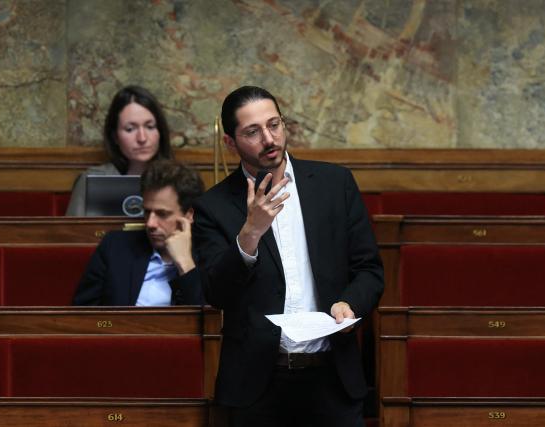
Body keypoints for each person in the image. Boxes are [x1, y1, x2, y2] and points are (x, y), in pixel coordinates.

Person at [192, 86, 384, 426]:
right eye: (252, 132)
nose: (269, 139)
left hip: (332, 380)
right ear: (230, 144)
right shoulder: (214, 207)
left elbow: (369, 270)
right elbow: (216, 293)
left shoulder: (334, 184)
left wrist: (350, 303)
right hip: (258, 388)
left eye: (274, 125)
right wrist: (250, 232)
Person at [73, 159, 204, 306]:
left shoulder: (210, 253)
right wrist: (110, 326)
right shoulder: (114, 247)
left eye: (162, 214)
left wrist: (185, 264)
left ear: (189, 215)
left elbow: (210, 322)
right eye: (147, 212)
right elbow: (83, 316)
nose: (150, 223)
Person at [66, 85, 174, 216]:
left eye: (150, 127)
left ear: (160, 131)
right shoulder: (92, 181)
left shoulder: (178, 179)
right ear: (115, 136)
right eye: (130, 129)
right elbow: (72, 233)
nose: (142, 138)